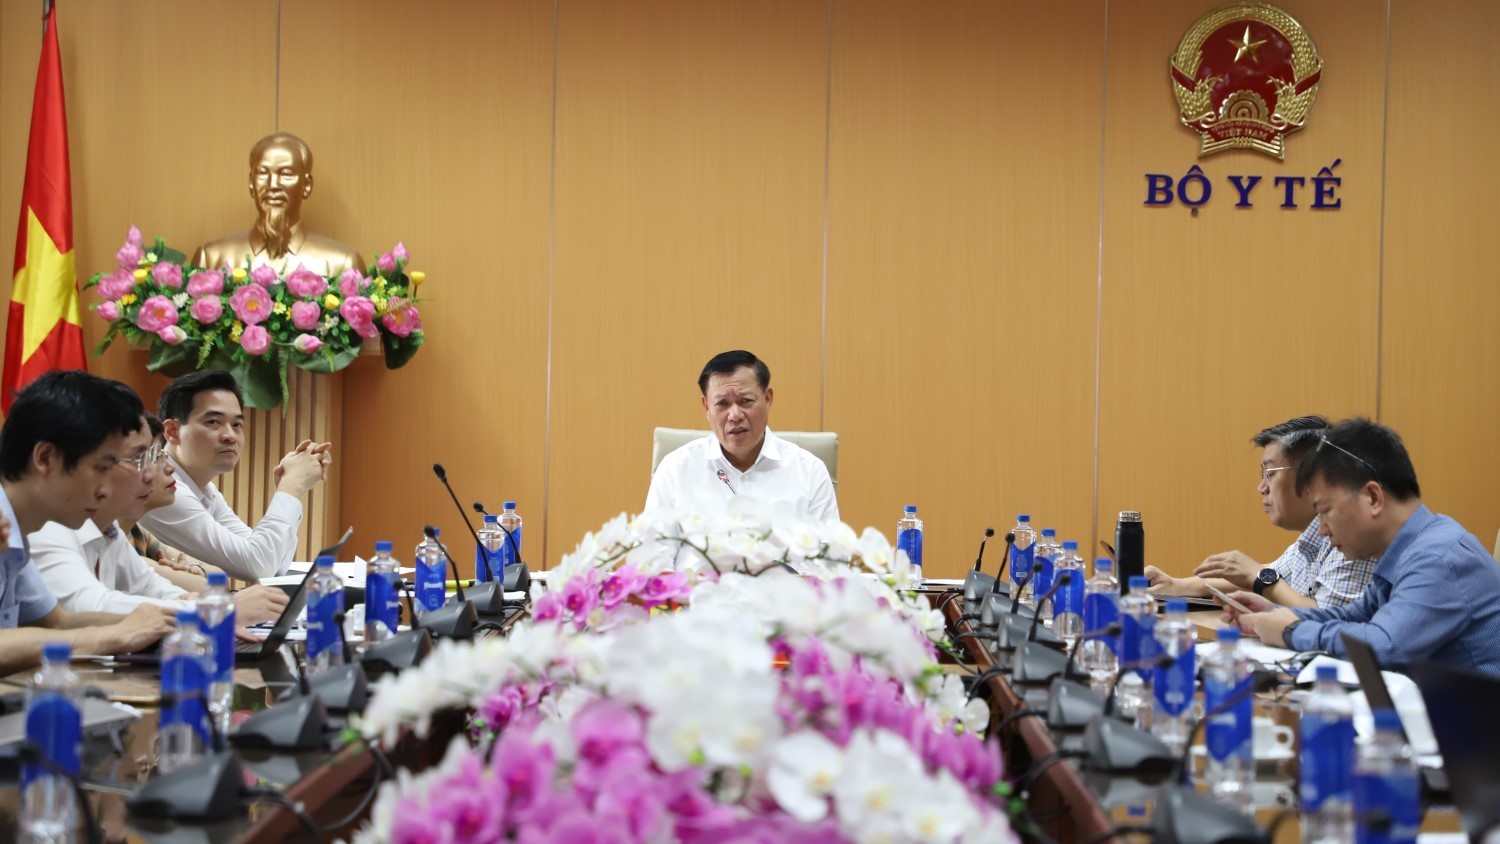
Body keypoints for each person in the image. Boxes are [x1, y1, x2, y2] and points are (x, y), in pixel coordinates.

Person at [1225, 418, 1500, 676]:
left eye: (1326, 511)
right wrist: (1276, 614)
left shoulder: (1437, 557)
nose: (1321, 529)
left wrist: (1291, 631)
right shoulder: (1406, 548)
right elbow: (1353, 617)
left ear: (1373, 498)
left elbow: (1383, 647)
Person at [30, 412, 288, 624]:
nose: (155, 472)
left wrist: (208, 607)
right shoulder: (47, 528)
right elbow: (91, 606)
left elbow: (151, 587)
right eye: (143, 458)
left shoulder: (108, 531)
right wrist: (216, 611)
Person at [0, 371, 174, 675]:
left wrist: (170, 623)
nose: (105, 489)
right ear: (46, 458)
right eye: (101, 467)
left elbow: (57, 623)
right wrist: (111, 637)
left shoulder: (20, 532)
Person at [1146, 416, 1376, 608]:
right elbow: (1269, 575)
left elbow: (1331, 623)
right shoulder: (1312, 539)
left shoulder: (1352, 537)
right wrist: (1176, 585)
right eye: (1262, 474)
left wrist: (1260, 578)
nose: (1262, 488)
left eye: (1270, 473)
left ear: (1312, 477)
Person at [139, 370, 331, 581]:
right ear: (172, 431)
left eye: (237, 425)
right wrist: (291, 488)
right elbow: (258, 566)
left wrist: (290, 488)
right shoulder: (165, 490)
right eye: (213, 422)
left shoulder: (205, 488)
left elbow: (274, 566)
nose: (230, 436)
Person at [644, 350, 838, 522]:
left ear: (767, 399)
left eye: (745, 401)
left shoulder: (810, 471)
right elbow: (652, 549)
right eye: (722, 403)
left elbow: (829, 550)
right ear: (706, 407)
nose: (735, 415)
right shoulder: (675, 469)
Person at [191, 132, 363, 276]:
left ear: (306, 185)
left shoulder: (343, 264)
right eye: (262, 173)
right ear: (251, 183)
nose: (273, 185)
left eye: (286, 174)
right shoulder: (211, 259)